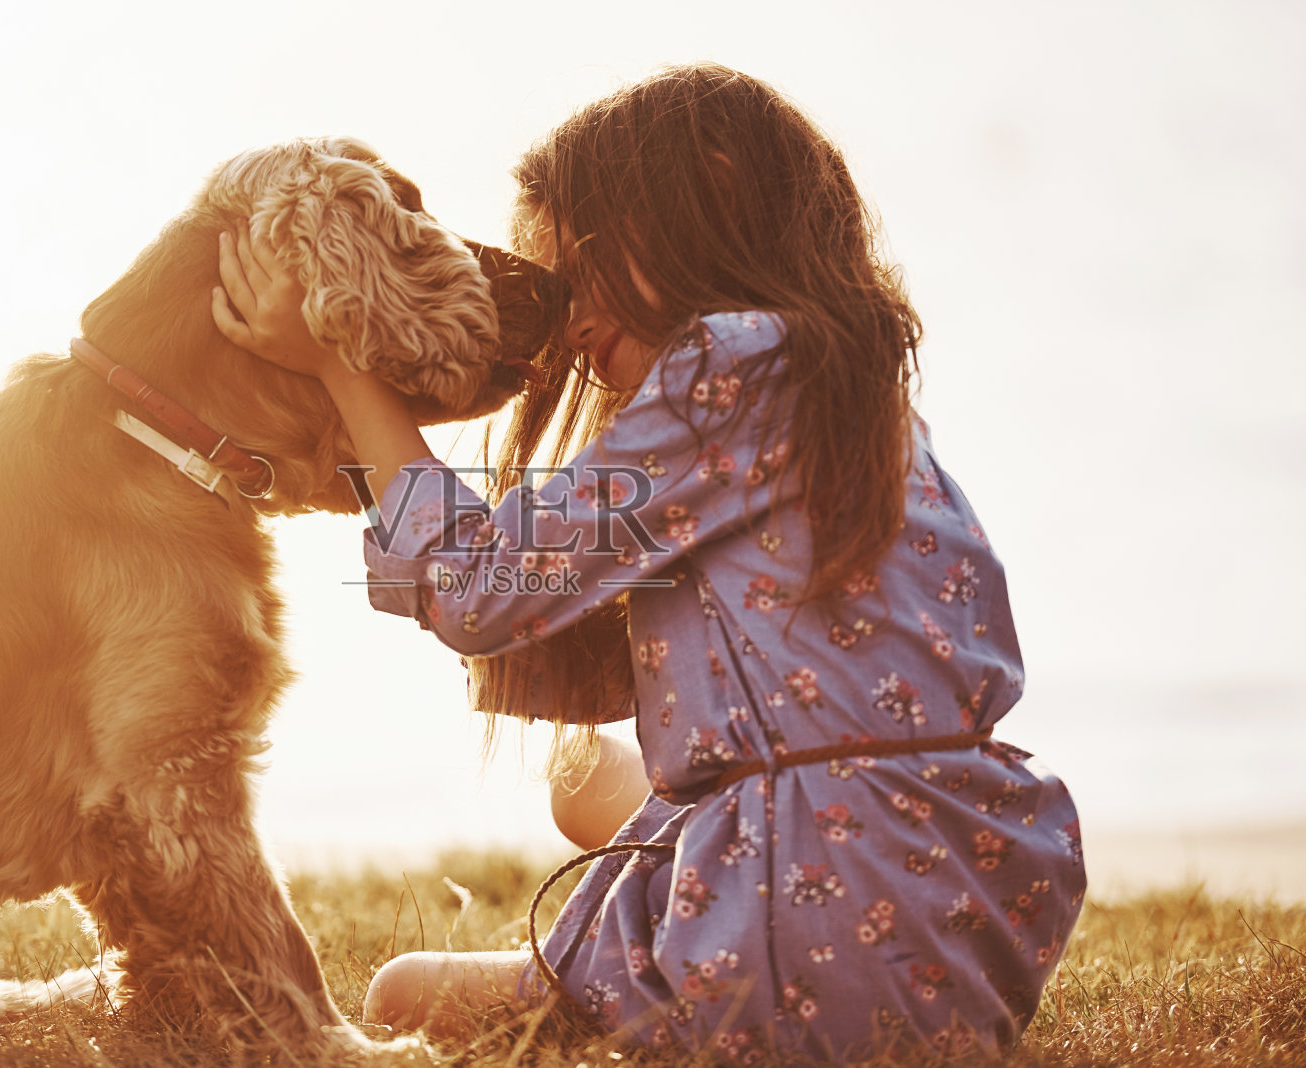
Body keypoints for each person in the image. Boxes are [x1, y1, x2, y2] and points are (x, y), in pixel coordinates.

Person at [210, 63, 1086, 1063]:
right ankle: (652, 948)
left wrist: (341, 363)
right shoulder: (847, 391)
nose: (573, 318)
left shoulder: (733, 360)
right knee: (585, 783)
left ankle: (649, 978)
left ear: (711, 193)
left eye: (583, 268)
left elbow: (484, 592)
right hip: (961, 888)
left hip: (815, 918)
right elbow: (568, 639)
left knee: (404, 991)